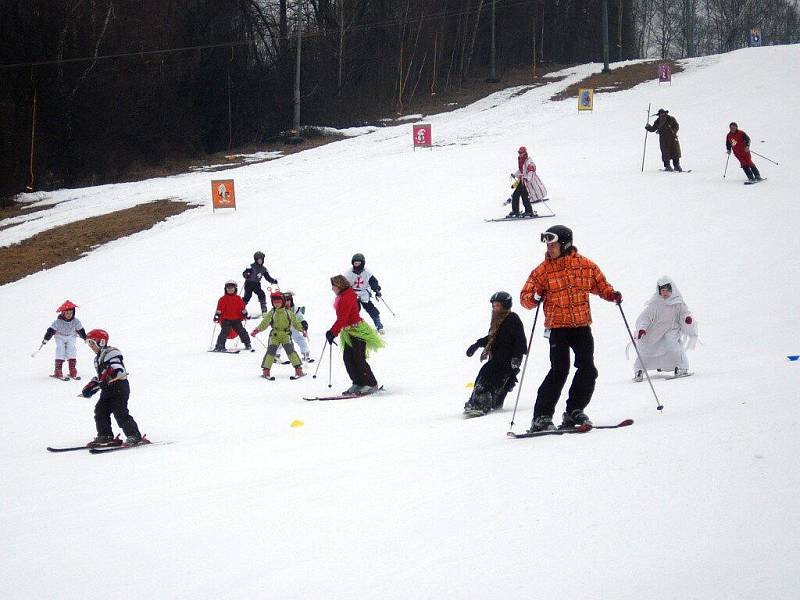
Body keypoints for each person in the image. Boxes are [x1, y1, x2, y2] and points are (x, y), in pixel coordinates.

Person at [519, 225, 622, 432]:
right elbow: (525, 299)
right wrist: (536, 296)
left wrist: (611, 294)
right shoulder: (542, 271)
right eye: (548, 244)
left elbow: (600, 284)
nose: (550, 248)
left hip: (582, 326)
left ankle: (574, 410)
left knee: (588, 369)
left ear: (565, 243)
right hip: (558, 328)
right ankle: (541, 417)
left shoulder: (585, 266)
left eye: (553, 244)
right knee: (559, 370)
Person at [463, 292, 528, 416]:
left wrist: (517, 357)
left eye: (498, 306)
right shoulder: (498, 320)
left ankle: (480, 404)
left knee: (486, 378)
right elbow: (493, 338)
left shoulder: (512, 318)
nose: (495, 308)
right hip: (497, 358)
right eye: (494, 306)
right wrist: (476, 345)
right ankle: (489, 403)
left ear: (506, 305)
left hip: (507, 359)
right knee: (489, 377)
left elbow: (520, 339)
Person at [81, 329, 146, 447]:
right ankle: (105, 435)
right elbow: (100, 377)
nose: (91, 346)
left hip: (119, 387)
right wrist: (91, 387)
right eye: (89, 343)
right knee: (100, 410)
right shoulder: (97, 358)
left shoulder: (111, 352)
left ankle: (134, 435)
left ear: (101, 342)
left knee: (119, 411)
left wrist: (109, 375)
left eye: (92, 342)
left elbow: (118, 368)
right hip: (108, 389)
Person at [327, 275, 385, 395]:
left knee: (358, 358)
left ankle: (371, 383)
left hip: (358, 331)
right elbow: (342, 319)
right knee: (348, 358)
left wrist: (333, 332)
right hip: (348, 332)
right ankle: (358, 383)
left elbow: (343, 318)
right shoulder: (342, 296)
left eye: (333, 286)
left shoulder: (347, 297)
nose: (332, 288)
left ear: (339, 285)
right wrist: (333, 331)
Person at [632, 277, 697, 381]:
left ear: (672, 290)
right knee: (646, 347)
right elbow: (645, 317)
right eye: (662, 291)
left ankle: (681, 367)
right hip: (655, 331)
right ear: (659, 291)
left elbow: (684, 314)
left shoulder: (678, 303)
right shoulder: (655, 304)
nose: (665, 293)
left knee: (673, 345)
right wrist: (642, 328)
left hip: (672, 329)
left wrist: (687, 319)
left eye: (667, 290)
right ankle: (639, 370)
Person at [251, 291, 305, 379]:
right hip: (274, 335)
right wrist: (257, 330)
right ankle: (266, 371)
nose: (276, 304)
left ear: (283, 302)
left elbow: (296, 323)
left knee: (290, 351)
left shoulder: (289, 313)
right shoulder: (272, 312)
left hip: (286, 335)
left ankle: (298, 370)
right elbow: (264, 323)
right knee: (271, 352)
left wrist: (302, 330)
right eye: (274, 303)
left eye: (279, 302)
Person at [41, 300, 87, 379]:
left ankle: (72, 370)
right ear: (63, 313)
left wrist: (85, 338)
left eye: (71, 313)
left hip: (71, 336)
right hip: (60, 337)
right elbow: (50, 331)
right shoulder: (58, 322)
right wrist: (46, 339)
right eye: (67, 313)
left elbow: (81, 330)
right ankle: (58, 370)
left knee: (72, 349)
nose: (69, 315)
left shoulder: (76, 321)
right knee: (60, 349)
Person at [345, 253, 385, 334]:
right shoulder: (348, 273)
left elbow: (373, 282)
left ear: (362, 263)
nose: (357, 265)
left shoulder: (367, 272)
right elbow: (344, 284)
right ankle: (352, 324)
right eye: (355, 263)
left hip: (364, 292)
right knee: (355, 309)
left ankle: (378, 323)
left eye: (358, 263)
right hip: (353, 293)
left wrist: (376, 290)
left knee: (370, 308)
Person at [507, 146, 547, 218]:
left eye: (521, 152)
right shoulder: (521, 159)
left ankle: (528, 211)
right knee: (516, 195)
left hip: (526, 181)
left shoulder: (528, 161)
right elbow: (521, 170)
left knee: (523, 196)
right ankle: (516, 211)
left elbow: (531, 171)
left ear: (525, 152)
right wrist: (515, 175)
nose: (520, 154)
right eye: (519, 152)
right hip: (522, 180)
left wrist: (527, 179)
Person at [212, 280, 252, 352]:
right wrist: (217, 316)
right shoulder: (222, 299)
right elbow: (219, 309)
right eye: (228, 288)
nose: (230, 290)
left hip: (236, 320)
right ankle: (219, 346)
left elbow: (242, 308)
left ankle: (247, 344)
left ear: (235, 289)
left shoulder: (238, 299)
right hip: (226, 320)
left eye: (232, 288)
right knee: (225, 332)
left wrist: (245, 314)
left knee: (242, 331)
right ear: (225, 289)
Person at [283, 291, 313, 363]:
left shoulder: (295, 309)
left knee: (300, 339)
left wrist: (304, 324)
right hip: (283, 329)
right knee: (281, 341)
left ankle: (305, 353)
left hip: (293, 327)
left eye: (288, 300)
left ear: (291, 301)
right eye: (285, 300)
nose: (287, 302)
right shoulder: (280, 309)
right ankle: (276, 355)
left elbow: (300, 317)